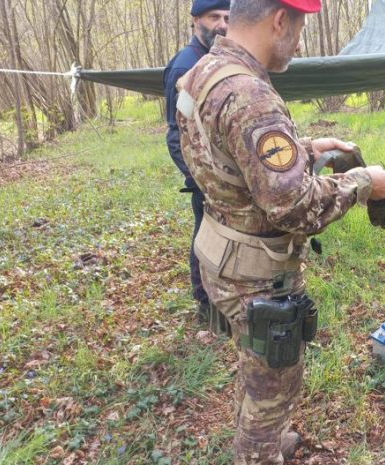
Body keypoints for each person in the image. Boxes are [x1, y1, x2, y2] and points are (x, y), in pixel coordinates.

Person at [175, 0, 385, 463]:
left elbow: (228, 157)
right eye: (299, 27)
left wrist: (305, 147)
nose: (299, 41)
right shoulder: (250, 96)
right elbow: (293, 206)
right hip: (257, 275)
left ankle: (265, 433)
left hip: (221, 252)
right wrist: (364, 182)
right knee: (274, 384)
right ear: (280, 19)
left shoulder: (204, 72)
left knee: (257, 370)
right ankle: (258, 451)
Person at [163, 0, 230, 323]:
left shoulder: (218, 62)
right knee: (205, 238)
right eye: (214, 17)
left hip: (224, 177)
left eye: (228, 17)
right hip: (205, 178)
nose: (222, 24)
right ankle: (205, 302)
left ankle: (222, 298)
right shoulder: (185, 67)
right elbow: (177, 134)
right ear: (195, 21)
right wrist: (200, 178)